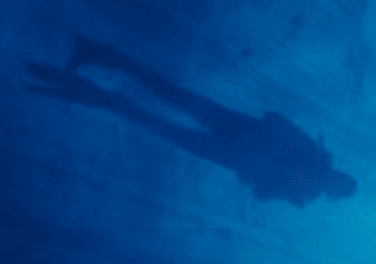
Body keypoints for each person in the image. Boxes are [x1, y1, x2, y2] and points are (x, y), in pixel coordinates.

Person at [24, 36, 357, 207]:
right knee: (157, 118)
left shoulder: (315, 159)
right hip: (231, 149)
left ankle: (100, 59)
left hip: (237, 133)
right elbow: (263, 190)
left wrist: (264, 150)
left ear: (336, 176)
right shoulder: (307, 186)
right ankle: (98, 86)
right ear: (334, 192)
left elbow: (277, 122)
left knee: (169, 97)